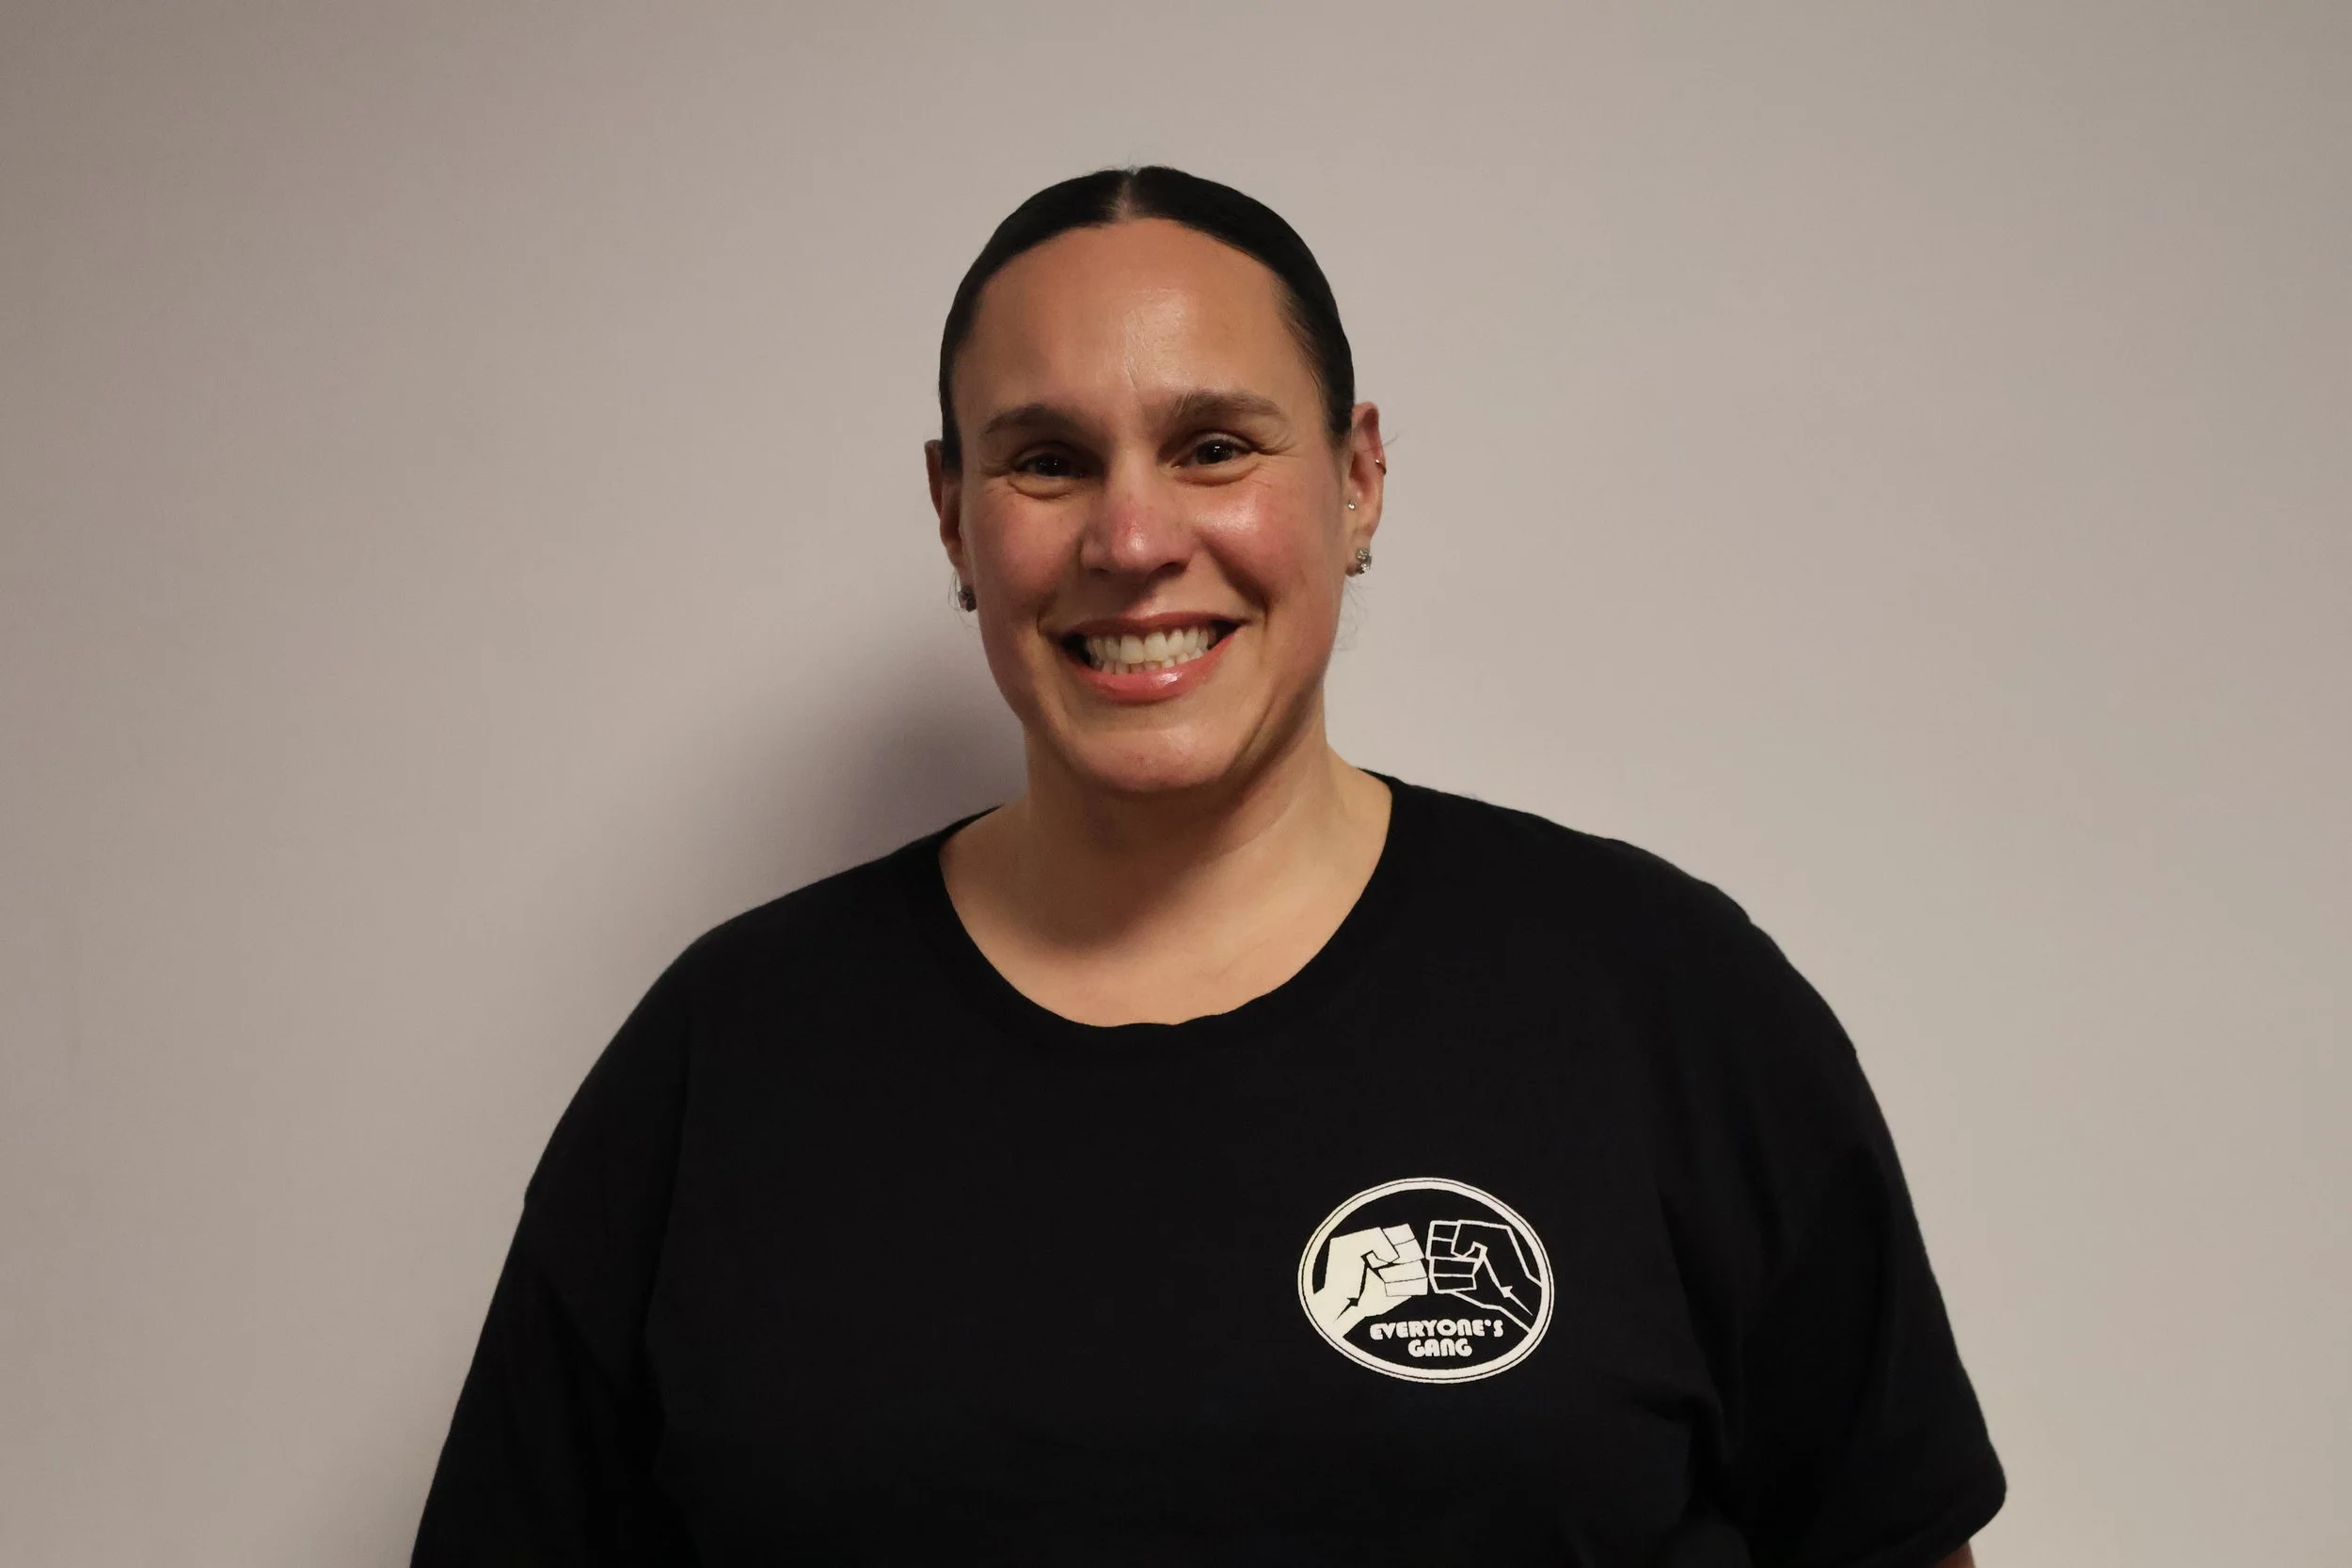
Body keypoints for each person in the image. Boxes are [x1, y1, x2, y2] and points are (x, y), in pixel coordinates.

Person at [412, 166, 2004, 1567]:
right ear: (954, 516)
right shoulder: (731, 1056)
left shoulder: (1667, 1005)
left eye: (1215, 445)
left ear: (1356, 478)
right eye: (1048, 460)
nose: (1132, 538)